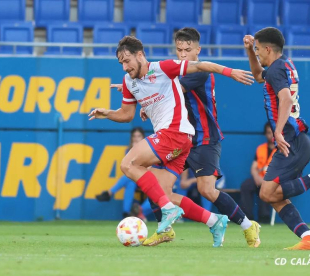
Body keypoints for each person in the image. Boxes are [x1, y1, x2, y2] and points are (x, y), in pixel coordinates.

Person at [89, 35, 254, 247]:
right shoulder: (129, 81)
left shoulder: (163, 68)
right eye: (121, 62)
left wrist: (231, 72)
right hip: (180, 141)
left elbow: (201, 65)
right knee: (160, 191)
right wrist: (109, 113)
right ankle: (214, 221)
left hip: (175, 133)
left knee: (128, 164)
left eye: (127, 60)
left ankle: (168, 210)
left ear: (140, 55)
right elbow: (127, 114)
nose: (124, 67)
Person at [139, 28, 261, 247]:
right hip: (181, 139)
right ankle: (165, 229)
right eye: (179, 49)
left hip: (205, 139)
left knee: (207, 190)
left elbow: (169, 91)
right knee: (154, 183)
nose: (183, 54)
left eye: (188, 50)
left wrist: (148, 100)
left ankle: (247, 225)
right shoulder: (176, 72)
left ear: (198, 50)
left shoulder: (199, 72)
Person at [243, 27, 310, 250]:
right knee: (274, 196)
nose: (258, 53)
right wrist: (250, 51)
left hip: (291, 141)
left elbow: (286, 100)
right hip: (296, 141)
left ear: (268, 49)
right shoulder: (284, 64)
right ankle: (309, 238)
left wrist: (278, 132)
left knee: (266, 192)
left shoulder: (277, 69)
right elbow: (260, 76)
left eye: (259, 49)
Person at [95, 127, 147, 220]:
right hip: (136, 179)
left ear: (143, 137)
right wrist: (134, 150)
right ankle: (126, 213)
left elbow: (144, 166)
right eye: (134, 136)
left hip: (147, 177)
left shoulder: (148, 149)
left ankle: (109, 193)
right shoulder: (129, 151)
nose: (136, 138)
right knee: (130, 183)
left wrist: (137, 151)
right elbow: (129, 167)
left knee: (128, 179)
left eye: (139, 136)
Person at [240, 122, 275, 224]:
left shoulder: (281, 149)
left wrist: (266, 181)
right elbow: (254, 167)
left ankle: (264, 218)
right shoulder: (261, 148)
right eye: (269, 132)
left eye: (273, 132)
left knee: (266, 188)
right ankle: (247, 218)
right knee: (246, 186)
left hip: (273, 181)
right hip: (259, 179)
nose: (271, 135)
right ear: (265, 134)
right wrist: (256, 177)